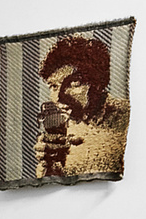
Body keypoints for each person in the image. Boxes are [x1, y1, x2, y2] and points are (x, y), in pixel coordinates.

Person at [38, 34, 130, 177]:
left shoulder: (123, 117)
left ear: (97, 82)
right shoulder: (61, 127)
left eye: (74, 83)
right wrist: (47, 167)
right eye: (54, 86)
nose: (58, 98)